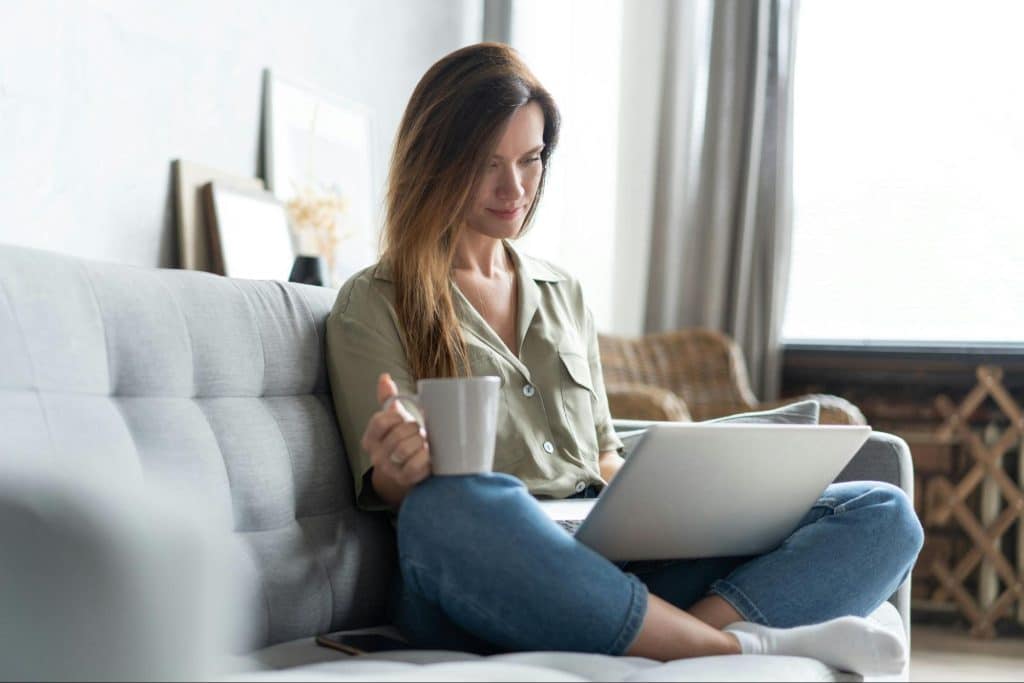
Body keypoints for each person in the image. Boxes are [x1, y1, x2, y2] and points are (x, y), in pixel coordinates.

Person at [325, 42, 923, 674]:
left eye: (531, 161)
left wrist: (685, 506)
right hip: (488, 572)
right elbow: (393, 491)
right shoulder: (372, 302)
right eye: (487, 164)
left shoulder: (564, 294)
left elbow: (603, 454)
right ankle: (731, 645)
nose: (516, 187)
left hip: (610, 567)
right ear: (436, 163)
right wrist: (403, 462)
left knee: (882, 511)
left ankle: (655, 636)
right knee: (448, 508)